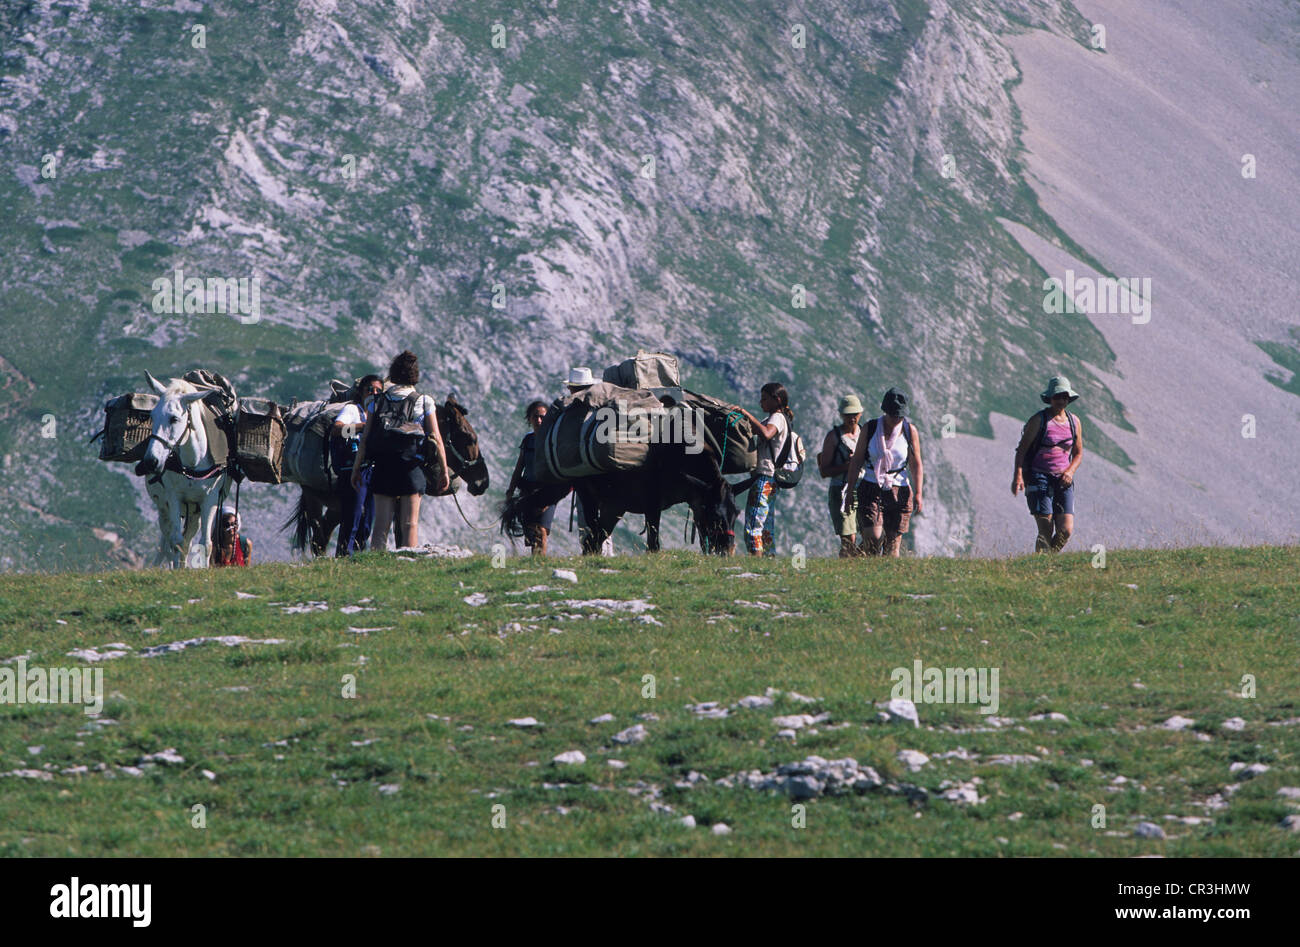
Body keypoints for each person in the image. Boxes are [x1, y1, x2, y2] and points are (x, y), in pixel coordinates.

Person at [352, 351, 449, 551]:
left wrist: (356, 468)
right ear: (415, 374)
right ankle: (408, 564)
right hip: (411, 468)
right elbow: (437, 439)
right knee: (409, 524)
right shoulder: (424, 401)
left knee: (381, 525)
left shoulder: (376, 401)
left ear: (393, 373)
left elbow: (366, 439)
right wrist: (444, 471)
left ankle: (376, 566)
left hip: (383, 466)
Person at [844, 387, 924, 557]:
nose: (896, 419)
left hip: (899, 489)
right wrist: (850, 490)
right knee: (874, 538)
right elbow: (857, 459)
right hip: (871, 486)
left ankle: (885, 580)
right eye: (893, 414)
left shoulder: (910, 431)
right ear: (885, 411)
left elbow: (916, 463)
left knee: (892, 547)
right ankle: (860, 563)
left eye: (899, 415)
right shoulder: (871, 428)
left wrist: (918, 493)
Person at [1012, 375, 1084, 553]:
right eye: (1057, 396)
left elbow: (1078, 453)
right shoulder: (1039, 420)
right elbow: (1021, 450)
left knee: (1065, 530)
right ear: (1050, 398)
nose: (1061, 400)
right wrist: (1018, 476)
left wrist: (1070, 471)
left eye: (1065, 397)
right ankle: (1043, 567)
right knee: (1045, 529)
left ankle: (1045, 561)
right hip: (1039, 477)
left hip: (1063, 479)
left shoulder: (1074, 422)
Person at [331, 374, 382, 556]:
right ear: (361, 392)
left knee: (368, 520)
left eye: (378, 390)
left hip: (373, 471)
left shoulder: (380, 413)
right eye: (370, 389)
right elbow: (337, 429)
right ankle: (344, 556)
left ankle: (359, 557)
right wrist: (363, 426)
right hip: (353, 469)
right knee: (352, 517)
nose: (374, 393)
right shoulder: (353, 410)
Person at [738, 382, 792, 556]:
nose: (761, 402)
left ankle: (756, 562)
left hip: (764, 477)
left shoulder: (776, 417)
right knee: (766, 526)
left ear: (776, 400)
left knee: (753, 525)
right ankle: (768, 562)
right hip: (771, 479)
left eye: (764, 399)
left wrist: (746, 414)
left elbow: (766, 433)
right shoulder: (775, 418)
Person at [564, 367, 614, 555]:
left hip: (585, 473)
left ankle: (594, 554)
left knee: (587, 518)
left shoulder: (572, 414)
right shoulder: (601, 409)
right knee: (604, 517)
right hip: (603, 473)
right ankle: (603, 555)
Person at [506, 400, 565, 556]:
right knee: (532, 531)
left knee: (542, 530)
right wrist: (510, 490)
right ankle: (536, 564)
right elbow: (520, 467)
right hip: (527, 490)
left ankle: (539, 564)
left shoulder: (553, 439)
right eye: (535, 417)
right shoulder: (528, 440)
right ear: (529, 419)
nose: (539, 420)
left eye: (542, 417)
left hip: (547, 491)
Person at [818, 394, 865, 557]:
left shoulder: (864, 434)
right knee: (849, 538)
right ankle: (847, 567)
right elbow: (824, 471)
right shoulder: (833, 437)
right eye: (847, 414)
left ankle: (855, 563)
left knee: (870, 533)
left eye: (854, 414)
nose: (851, 418)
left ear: (860, 414)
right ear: (841, 415)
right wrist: (848, 466)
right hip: (841, 489)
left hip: (864, 488)